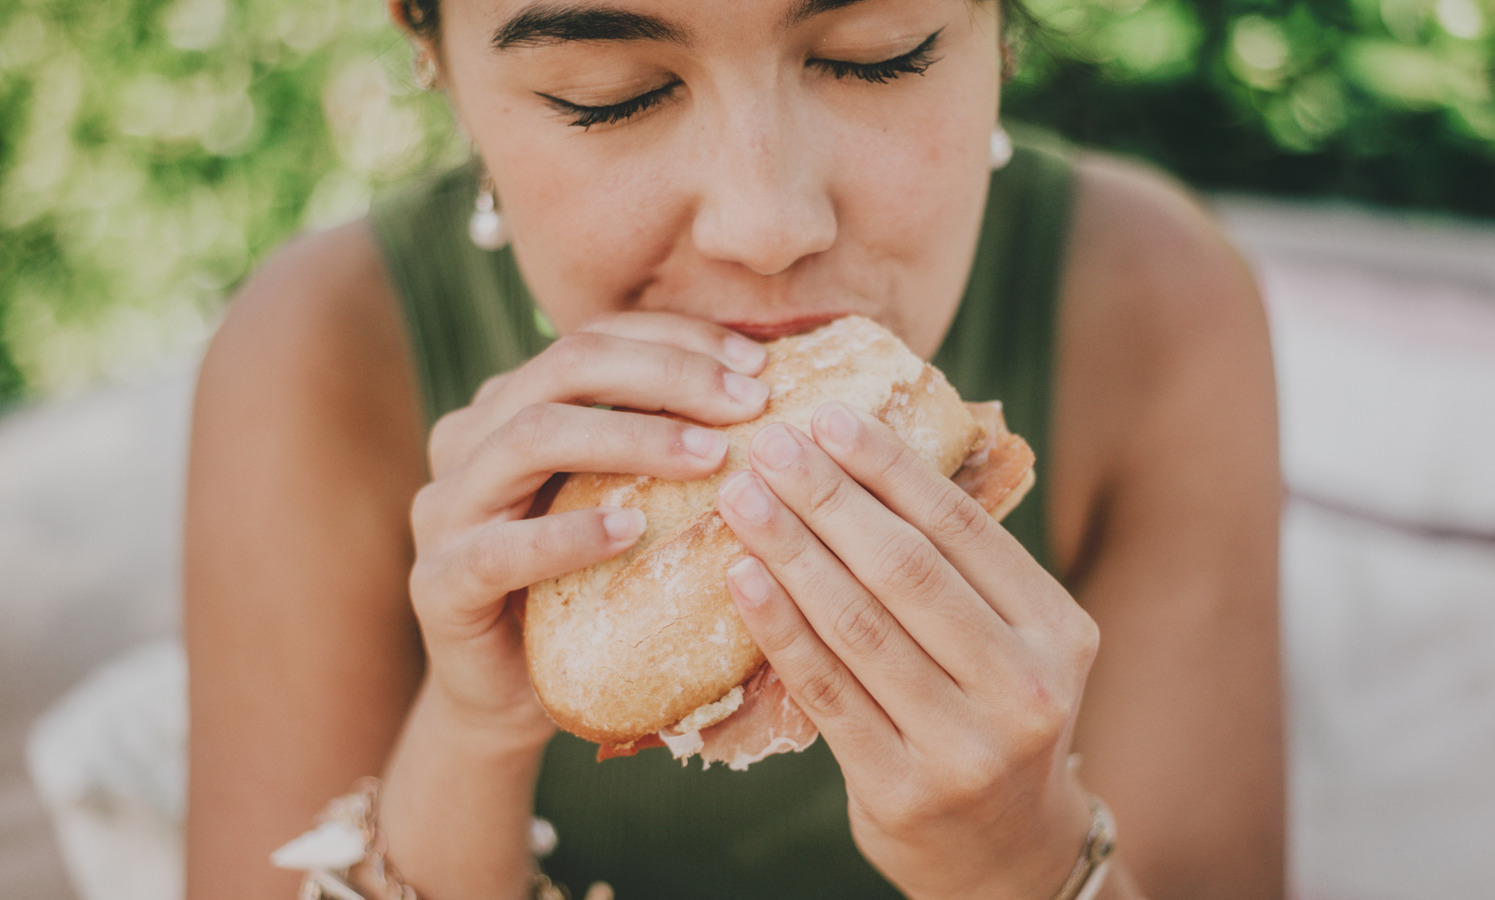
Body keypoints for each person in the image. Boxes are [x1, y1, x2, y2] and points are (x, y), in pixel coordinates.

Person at [184, 0, 1285, 897]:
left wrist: (1024, 860)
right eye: (609, 95)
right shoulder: (318, 359)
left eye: (876, 57)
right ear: (431, 51)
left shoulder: (1154, 309)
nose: (766, 225)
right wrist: (471, 740)